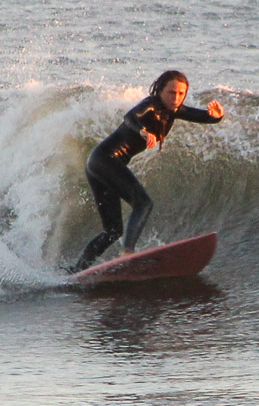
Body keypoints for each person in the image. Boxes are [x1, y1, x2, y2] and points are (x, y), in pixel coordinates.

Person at [71, 70, 224, 272]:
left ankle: (78, 269)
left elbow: (204, 117)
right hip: (105, 160)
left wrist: (216, 116)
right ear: (160, 90)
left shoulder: (174, 110)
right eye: (171, 92)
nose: (176, 98)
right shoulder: (150, 105)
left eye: (181, 94)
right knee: (143, 203)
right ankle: (128, 252)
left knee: (113, 230)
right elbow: (130, 117)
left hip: (98, 163)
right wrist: (142, 131)